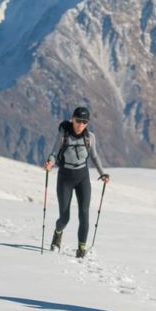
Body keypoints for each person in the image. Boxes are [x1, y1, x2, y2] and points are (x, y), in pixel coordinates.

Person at [44, 106, 110, 258]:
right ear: (72, 119)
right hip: (65, 177)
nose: (80, 124)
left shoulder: (90, 137)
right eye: (78, 120)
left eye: (84, 122)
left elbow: (94, 156)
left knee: (84, 213)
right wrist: (50, 163)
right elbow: (54, 153)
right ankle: (58, 233)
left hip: (82, 177)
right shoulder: (63, 135)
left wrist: (103, 173)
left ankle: (81, 249)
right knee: (65, 217)